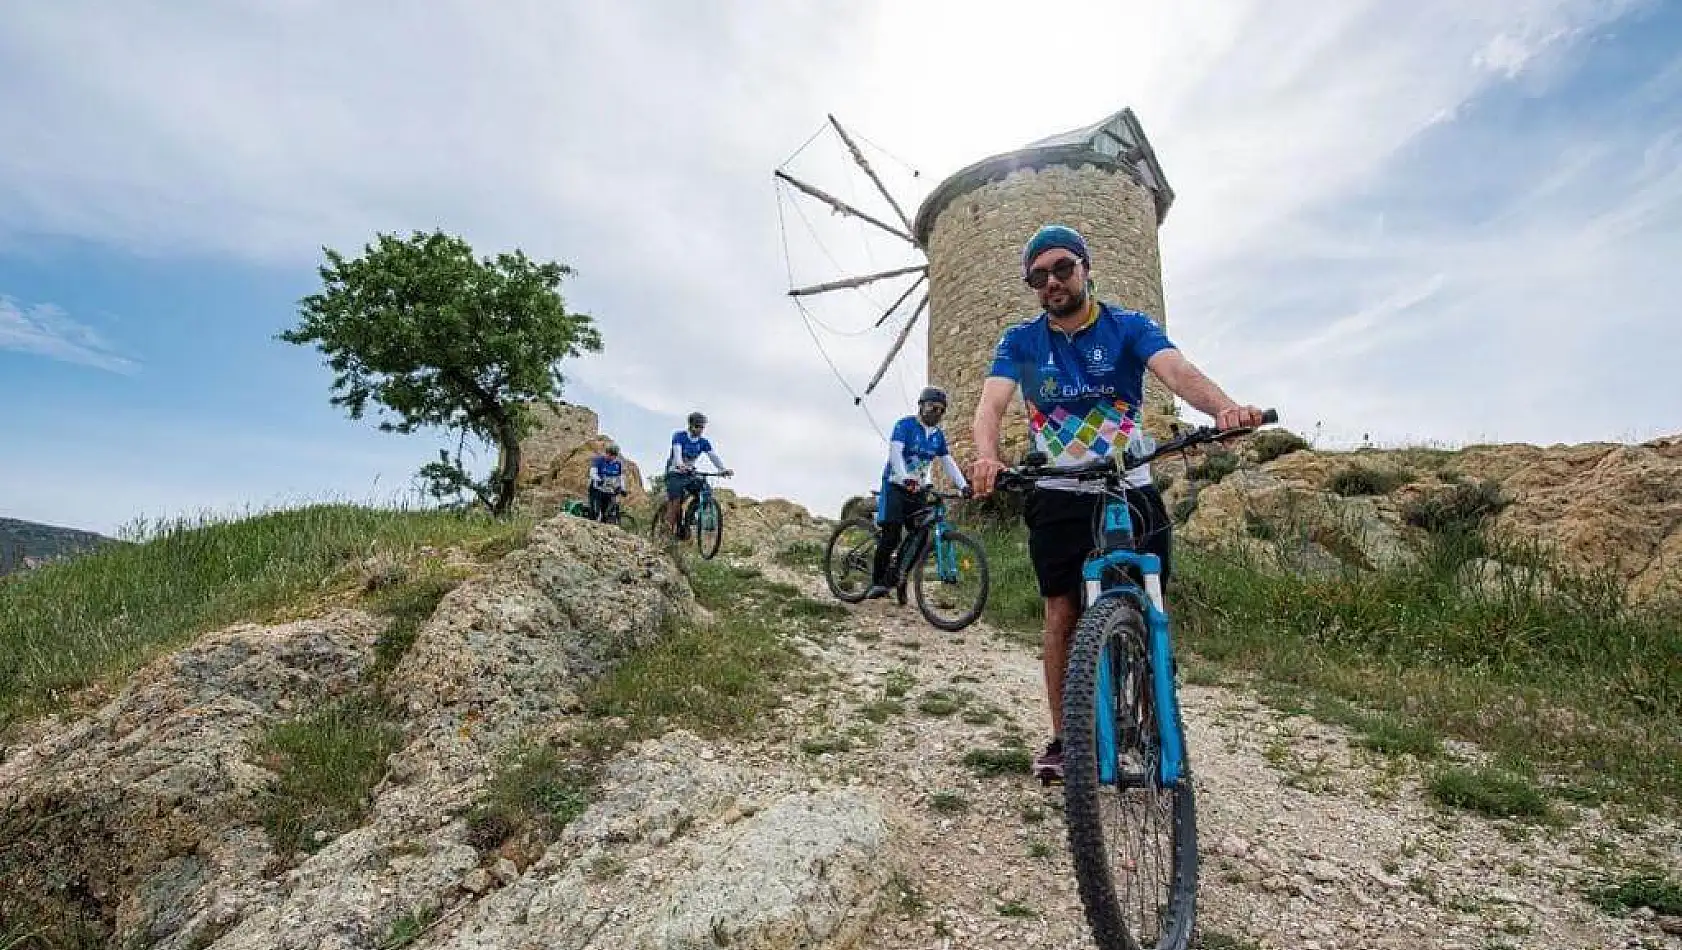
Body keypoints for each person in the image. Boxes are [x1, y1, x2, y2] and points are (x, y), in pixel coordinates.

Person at [967, 224, 1266, 783]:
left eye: (1062, 268)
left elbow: (1175, 371)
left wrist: (1223, 408)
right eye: (1038, 276)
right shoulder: (1024, 343)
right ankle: (1065, 737)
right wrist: (987, 455)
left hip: (1130, 484)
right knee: (1061, 612)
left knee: (1150, 601)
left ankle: (1149, 710)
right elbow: (992, 406)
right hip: (1058, 490)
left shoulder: (1128, 327)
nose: (1052, 281)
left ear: (1085, 267)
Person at [865, 387, 973, 600]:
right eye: (933, 407)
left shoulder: (937, 436)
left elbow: (947, 462)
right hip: (895, 486)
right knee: (892, 534)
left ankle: (900, 576)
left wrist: (963, 485)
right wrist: (904, 476)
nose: (937, 413)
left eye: (942, 411)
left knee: (920, 537)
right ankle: (878, 582)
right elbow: (895, 453)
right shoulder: (905, 426)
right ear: (922, 405)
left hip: (917, 490)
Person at [663, 411, 733, 538]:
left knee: (704, 489)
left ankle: (690, 518)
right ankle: (666, 531)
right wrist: (680, 464)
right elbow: (677, 452)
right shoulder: (679, 436)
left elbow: (713, 456)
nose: (700, 430)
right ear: (690, 425)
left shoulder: (703, 442)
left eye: (702, 427)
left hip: (689, 473)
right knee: (676, 501)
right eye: (697, 426)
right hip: (674, 472)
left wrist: (723, 469)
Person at [587, 443, 627, 522]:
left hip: (608, 491)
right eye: (609, 454)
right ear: (607, 453)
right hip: (596, 490)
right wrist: (599, 479)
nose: (611, 457)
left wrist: (622, 488)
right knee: (595, 514)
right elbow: (592, 474)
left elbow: (620, 477)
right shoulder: (598, 460)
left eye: (613, 455)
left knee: (606, 515)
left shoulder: (617, 464)